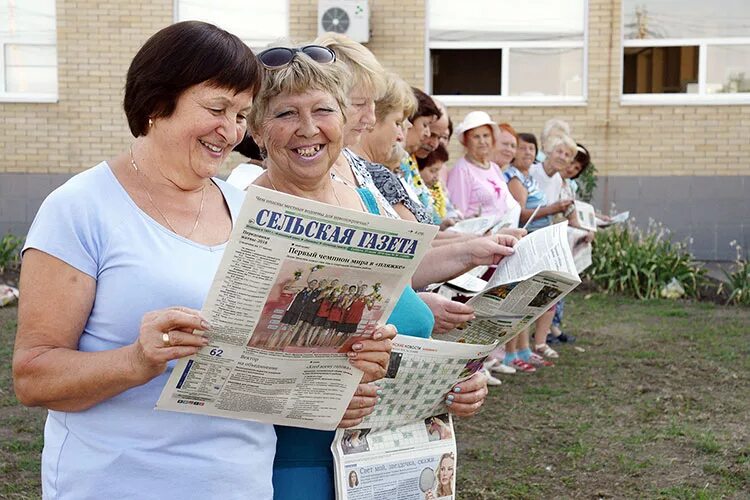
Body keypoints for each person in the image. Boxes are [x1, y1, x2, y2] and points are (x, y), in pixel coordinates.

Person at [11, 21, 278, 499]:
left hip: (241, 483)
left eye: (241, 114)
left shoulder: (250, 213)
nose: (232, 131)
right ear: (157, 103)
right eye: (217, 108)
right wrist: (137, 360)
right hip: (117, 484)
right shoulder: (80, 208)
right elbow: (33, 376)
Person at [248, 45, 496, 500]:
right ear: (258, 130)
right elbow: (229, 361)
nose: (309, 128)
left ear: (342, 120)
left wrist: (454, 380)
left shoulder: (366, 200)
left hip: (399, 456)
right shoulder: (242, 214)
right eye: (285, 113)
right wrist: (317, 396)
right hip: (298, 466)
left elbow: (401, 318)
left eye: (323, 109)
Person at [445, 111, 517, 222]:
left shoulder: (494, 168)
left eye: (486, 136)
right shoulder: (462, 170)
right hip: (479, 235)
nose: (482, 141)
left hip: (502, 232)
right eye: (476, 137)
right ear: (466, 141)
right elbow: (457, 216)